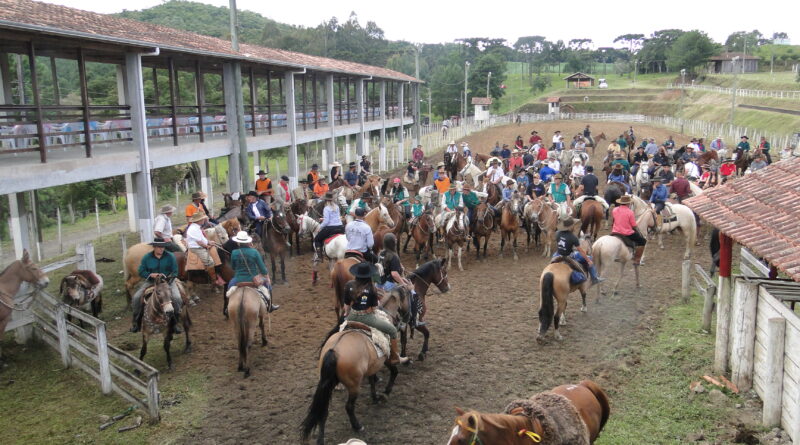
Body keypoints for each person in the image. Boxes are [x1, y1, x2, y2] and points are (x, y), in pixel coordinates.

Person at [342, 262, 408, 364]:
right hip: (367, 317)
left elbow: (346, 306)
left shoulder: (349, 285)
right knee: (392, 330)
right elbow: (373, 309)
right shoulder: (371, 288)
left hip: (351, 316)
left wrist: (346, 314)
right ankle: (395, 357)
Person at [130, 238, 184, 333]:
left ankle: (175, 322)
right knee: (136, 297)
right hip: (151, 282)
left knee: (177, 298)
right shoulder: (147, 257)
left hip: (168, 282)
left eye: (163, 247)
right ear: (154, 247)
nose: (161, 249)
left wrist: (168, 278)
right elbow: (141, 271)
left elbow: (175, 271)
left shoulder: (170, 256)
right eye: (159, 247)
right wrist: (150, 275)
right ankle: (136, 321)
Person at [226, 231, 279, 312]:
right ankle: (270, 305)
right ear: (248, 241)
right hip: (253, 279)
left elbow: (233, 267)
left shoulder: (234, 252)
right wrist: (266, 277)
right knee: (268, 286)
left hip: (238, 279)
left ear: (238, 242)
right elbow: (263, 269)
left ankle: (227, 308)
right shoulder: (254, 252)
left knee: (229, 286)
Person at [553, 217, 605, 285]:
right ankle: (594, 278)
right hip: (569, 256)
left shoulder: (557, 233)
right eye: (573, 225)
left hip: (558, 254)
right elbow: (581, 251)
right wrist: (588, 261)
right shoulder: (573, 237)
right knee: (590, 258)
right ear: (570, 227)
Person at [186, 213, 225, 286]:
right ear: (199, 220)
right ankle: (214, 280)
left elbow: (202, 238)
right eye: (202, 219)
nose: (204, 220)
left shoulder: (197, 227)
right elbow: (199, 242)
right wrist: (206, 246)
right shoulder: (193, 229)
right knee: (210, 262)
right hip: (196, 248)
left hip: (199, 245)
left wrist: (209, 242)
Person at [611, 195, 647, 265]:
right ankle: (637, 259)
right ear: (628, 203)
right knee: (642, 241)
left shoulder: (614, 210)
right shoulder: (630, 212)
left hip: (615, 231)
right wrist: (637, 229)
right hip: (626, 233)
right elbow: (633, 225)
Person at [313, 192, 345, 260]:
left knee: (317, 239)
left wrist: (320, 227)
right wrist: (324, 218)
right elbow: (336, 217)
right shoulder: (337, 207)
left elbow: (326, 222)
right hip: (340, 227)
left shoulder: (326, 208)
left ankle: (319, 256)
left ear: (326, 200)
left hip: (330, 228)